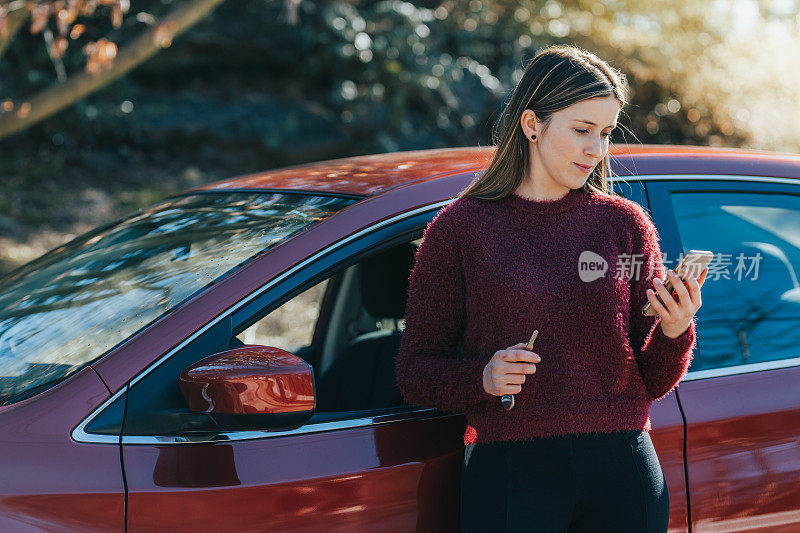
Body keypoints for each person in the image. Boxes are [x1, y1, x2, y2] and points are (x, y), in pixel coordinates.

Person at [393, 44, 708, 533]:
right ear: (531, 124)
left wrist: (675, 328)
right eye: (582, 130)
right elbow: (415, 372)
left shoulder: (624, 225)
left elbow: (654, 383)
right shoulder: (459, 229)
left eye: (605, 134)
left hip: (624, 472)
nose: (597, 151)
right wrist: (483, 377)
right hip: (513, 478)